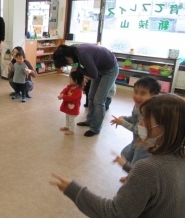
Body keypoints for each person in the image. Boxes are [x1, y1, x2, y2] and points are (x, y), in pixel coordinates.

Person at [50, 93, 185, 217]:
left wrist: (75, 190)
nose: (141, 123)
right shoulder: (179, 157)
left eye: (147, 119)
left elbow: (115, 213)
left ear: (167, 127)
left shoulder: (148, 168)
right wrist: (127, 166)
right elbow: (157, 183)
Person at [53, 44, 119, 137]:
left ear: (67, 56)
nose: (70, 64)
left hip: (110, 70)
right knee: (91, 96)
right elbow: (77, 68)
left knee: (98, 101)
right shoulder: (71, 51)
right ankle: (89, 121)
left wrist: (80, 70)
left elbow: (93, 75)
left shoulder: (82, 54)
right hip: (99, 68)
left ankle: (95, 128)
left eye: (67, 62)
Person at [110, 76, 161, 182]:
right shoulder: (138, 106)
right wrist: (124, 118)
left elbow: (138, 129)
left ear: (154, 95)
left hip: (145, 144)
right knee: (126, 154)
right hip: (137, 140)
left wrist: (122, 123)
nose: (137, 96)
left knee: (137, 164)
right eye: (136, 92)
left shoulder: (148, 110)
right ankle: (131, 176)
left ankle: (133, 180)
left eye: (143, 93)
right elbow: (134, 119)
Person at [58, 71, 83, 135]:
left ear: (76, 81)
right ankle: (67, 126)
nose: (69, 80)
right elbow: (65, 90)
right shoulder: (70, 86)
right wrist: (62, 94)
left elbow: (71, 97)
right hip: (68, 107)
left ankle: (72, 131)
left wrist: (63, 96)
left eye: (70, 78)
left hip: (74, 108)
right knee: (67, 117)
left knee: (71, 119)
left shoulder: (78, 90)